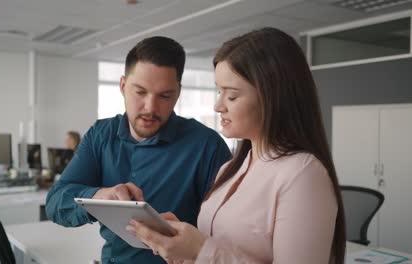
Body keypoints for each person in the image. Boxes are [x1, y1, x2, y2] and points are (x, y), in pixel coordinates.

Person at [127, 28, 346, 264]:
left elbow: (213, 254)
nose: (218, 106)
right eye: (219, 91)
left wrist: (200, 250)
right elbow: (223, 247)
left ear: (272, 96)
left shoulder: (302, 173)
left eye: (231, 96)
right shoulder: (231, 168)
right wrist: (181, 243)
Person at [45, 36, 232, 264]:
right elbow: (55, 202)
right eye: (140, 92)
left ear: (178, 93)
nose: (150, 108)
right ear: (123, 86)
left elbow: (228, 236)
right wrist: (98, 196)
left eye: (165, 96)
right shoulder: (101, 134)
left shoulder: (207, 146)